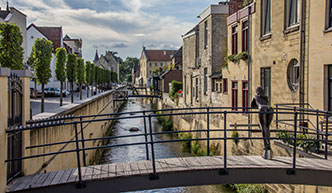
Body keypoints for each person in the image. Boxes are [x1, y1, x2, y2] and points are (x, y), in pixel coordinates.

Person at [251, 87, 274, 159]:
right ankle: (268, 145)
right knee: (267, 127)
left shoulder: (256, 97)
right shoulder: (266, 97)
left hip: (262, 109)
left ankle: (266, 146)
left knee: (263, 127)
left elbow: (252, 105)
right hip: (270, 108)